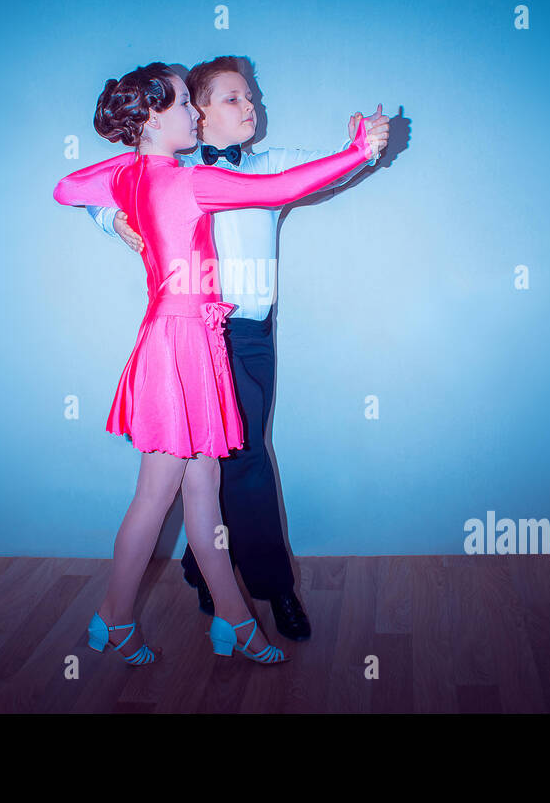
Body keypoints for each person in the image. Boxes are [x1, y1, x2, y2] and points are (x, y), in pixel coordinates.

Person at [53, 62, 382, 665]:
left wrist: (120, 194)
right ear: (156, 117)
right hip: (184, 339)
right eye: (186, 105)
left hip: (199, 336)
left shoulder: (139, 174)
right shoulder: (188, 180)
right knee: (158, 495)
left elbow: (68, 186)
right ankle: (114, 618)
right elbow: (280, 189)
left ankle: (233, 619)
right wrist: (360, 149)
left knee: (202, 491)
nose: (195, 116)